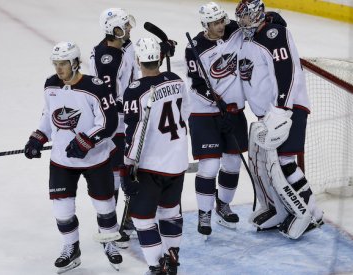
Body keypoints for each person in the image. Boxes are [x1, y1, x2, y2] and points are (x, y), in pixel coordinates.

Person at [24, 41, 122, 273]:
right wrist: (38, 137)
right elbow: (48, 116)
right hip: (62, 160)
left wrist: (86, 141)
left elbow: (108, 122)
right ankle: (71, 248)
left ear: (76, 63)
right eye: (56, 64)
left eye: (63, 64)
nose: (59, 69)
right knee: (62, 210)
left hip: (95, 159)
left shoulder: (94, 87)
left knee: (105, 205)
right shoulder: (51, 85)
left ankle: (109, 243)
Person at [235, 0, 324, 239]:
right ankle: (282, 210)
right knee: (268, 163)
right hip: (271, 113)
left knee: (285, 161)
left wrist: (283, 109)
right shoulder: (251, 39)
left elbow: (287, 72)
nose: (240, 22)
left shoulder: (274, 34)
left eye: (244, 17)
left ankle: (313, 212)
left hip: (289, 109)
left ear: (255, 15)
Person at [123, 37, 189, 275]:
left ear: (138, 59)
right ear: (160, 57)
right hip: (178, 160)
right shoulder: (177, 80)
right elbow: (186, 112)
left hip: (151, 164)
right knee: (170, 212)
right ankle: (172, 259)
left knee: (142, 219)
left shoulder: (135, 91)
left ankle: (156, 266)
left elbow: (134, 132)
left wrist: (126, 168)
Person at [185, 1, 248, 238]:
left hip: (233, 111)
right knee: (210, 165)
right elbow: (197, 83)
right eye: (215, 23)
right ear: (205, 25)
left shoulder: (234, 30)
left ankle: (223, 204)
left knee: (233, 163)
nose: (220, 26)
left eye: (222, 20)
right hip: (204, 113)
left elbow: (252, 23)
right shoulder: (195, 47)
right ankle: (204, 213)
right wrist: (215, 100)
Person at [90, 7, 139, 247]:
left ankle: (124, 220)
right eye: (125, 26)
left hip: (122, 120)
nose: (129, 29)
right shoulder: (108, 58)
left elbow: (133, 71)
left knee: (125, 170)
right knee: (115, 174)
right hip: (115, 123)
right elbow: (111, 96)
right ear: (114, 30)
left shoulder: (119, 48)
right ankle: (110, 226)